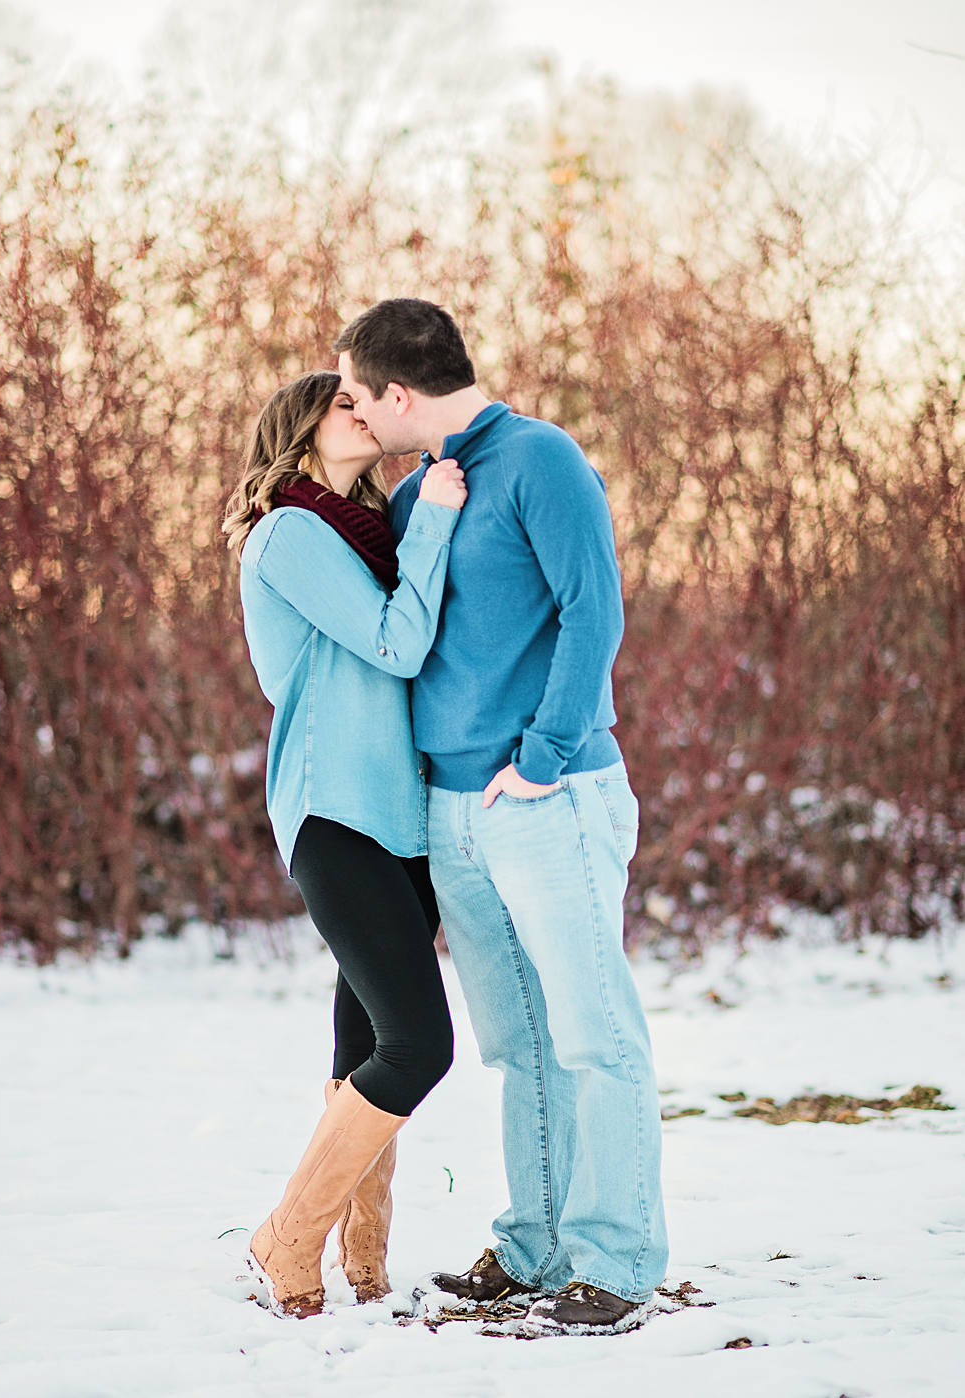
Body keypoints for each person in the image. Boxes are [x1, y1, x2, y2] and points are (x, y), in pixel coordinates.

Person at [334, 298, 661, 1337]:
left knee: (593, 1036)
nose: (352, 410)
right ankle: (534, 1248)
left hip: (546, 795)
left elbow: (591, 608)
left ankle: (616, 1262)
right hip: (452, 806)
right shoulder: (415, 492)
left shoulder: (542, 461)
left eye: (355, 394)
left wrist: (545, 756)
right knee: (516, 1046)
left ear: (397, 395)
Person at [224, 369, 467, 1317]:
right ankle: (287, 1234)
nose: (364, 412)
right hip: (338, 812)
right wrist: (438, 520)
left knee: (365, 1043)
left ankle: (362, 1264)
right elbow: (397, 647)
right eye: (343, 405)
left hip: (400, 816)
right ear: (299, 432)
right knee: (418, 1045)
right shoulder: (291, 534)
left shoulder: (362, 534)